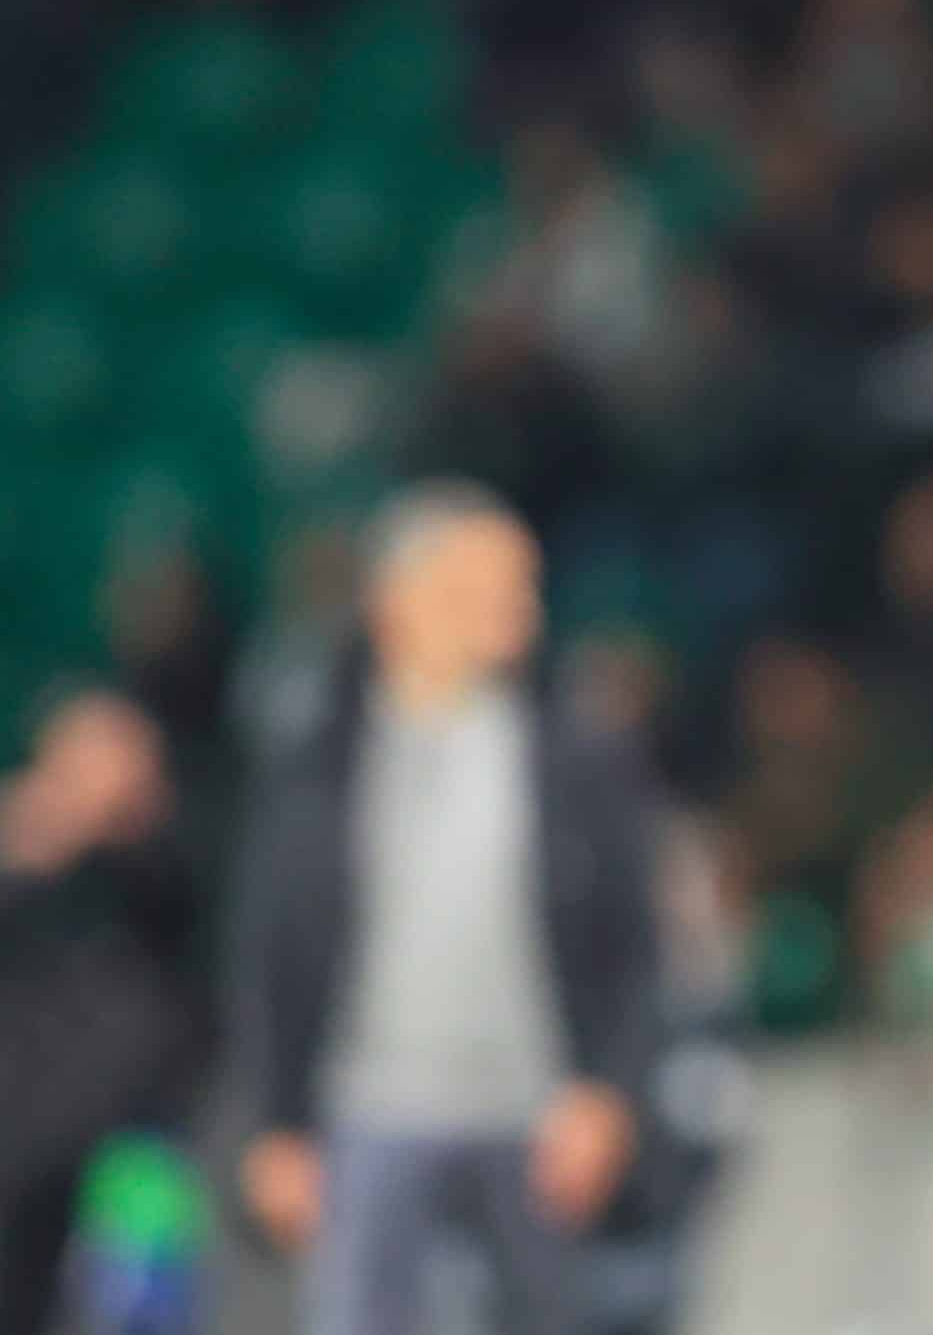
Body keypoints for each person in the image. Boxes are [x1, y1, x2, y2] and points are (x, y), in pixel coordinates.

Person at [233, 480, 662, 1335]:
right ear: (402, 597)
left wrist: (609, 1093)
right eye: (492, 585)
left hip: (533, 1111)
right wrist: (274, 1122)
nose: (522, 610)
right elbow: (268, 946)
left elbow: (632, 947)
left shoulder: (572, 750)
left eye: (524, 587)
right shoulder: (321, 752)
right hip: (367, 1107)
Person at [0, 692, 211, 1335]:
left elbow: (187, 921)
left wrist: (122, 824)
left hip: (137, 1139)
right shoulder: (23, 845)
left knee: (139, 1315)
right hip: (20, 1139)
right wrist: (34, 844)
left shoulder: (167, 847)